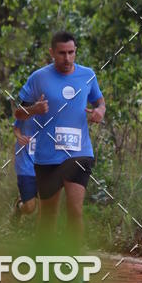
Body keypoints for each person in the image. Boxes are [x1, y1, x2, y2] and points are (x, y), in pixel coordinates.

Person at [15, 31, 105, 241]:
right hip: (47, 156)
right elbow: (18, 113)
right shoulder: (39, 78)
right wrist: (35, 109)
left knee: (75, 211)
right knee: (49, 217)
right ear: (52, 53)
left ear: (76, 51)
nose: (67, 58)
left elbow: (99, 102)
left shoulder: (87, 75)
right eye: (62, 53)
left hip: (79, 152)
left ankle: (75, 264)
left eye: (71, 52)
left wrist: (100, 111)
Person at [13, 115, 38, 218]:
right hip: (26, 166)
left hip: (46, 166)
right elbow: (16, 128)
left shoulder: (54, 112)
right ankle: (19, 207)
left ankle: (41, 233)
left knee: (45, 206)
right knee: (29, 208)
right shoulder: (28, 110)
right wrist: (19, 137)